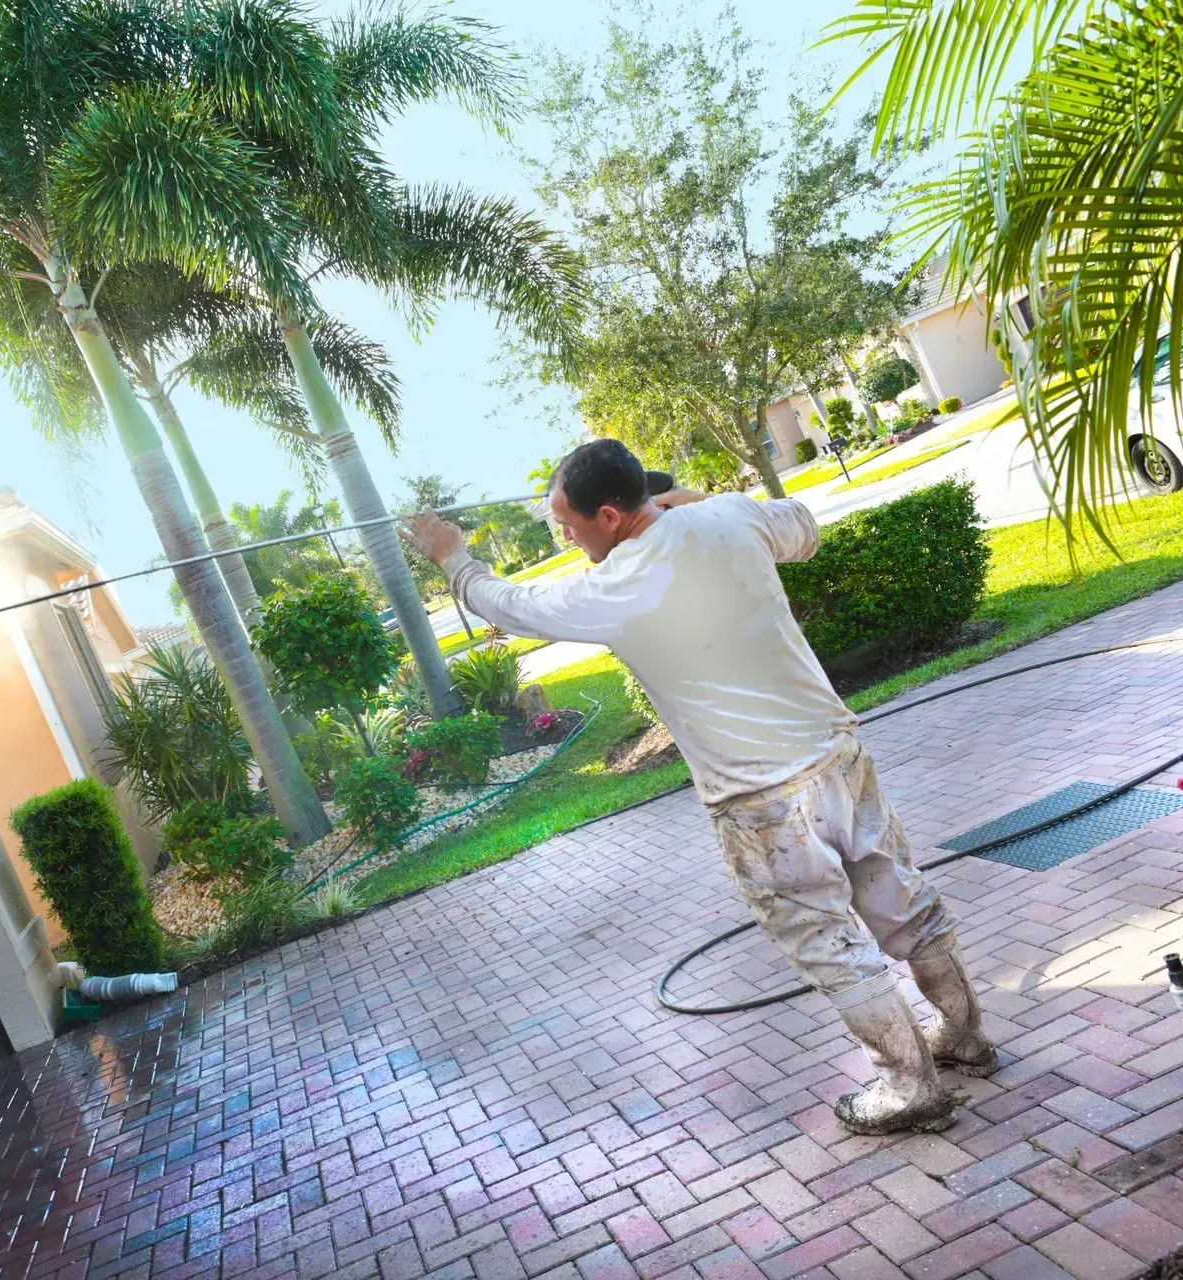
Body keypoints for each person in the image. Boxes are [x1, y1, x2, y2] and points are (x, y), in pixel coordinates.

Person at [399, 439, 997, 1135]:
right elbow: (803, 527)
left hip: (758, 804)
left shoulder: (610, 590)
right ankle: (964, 1038)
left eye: (569, 523)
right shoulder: (731, 519)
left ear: (613, 516)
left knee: (831, 942)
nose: (563, 535)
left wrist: (452, 557)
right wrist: (704, 506)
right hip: (836, 759)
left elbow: (509, 604)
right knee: (903, 903)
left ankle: (909, 1087)